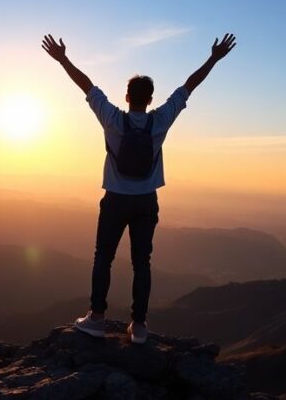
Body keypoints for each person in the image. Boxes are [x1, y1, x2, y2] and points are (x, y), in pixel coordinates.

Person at [41, 32, 236, 344]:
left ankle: (97, 318)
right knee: (141, 262)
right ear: (151, 98)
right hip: (146, 201)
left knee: (103, 257)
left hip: (115, 200)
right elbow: (188, 87)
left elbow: (87, 85)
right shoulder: (160, 121)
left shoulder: (112, 119)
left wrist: (63, 59)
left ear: (128, 96)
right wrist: (213, 58)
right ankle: (140, 326)